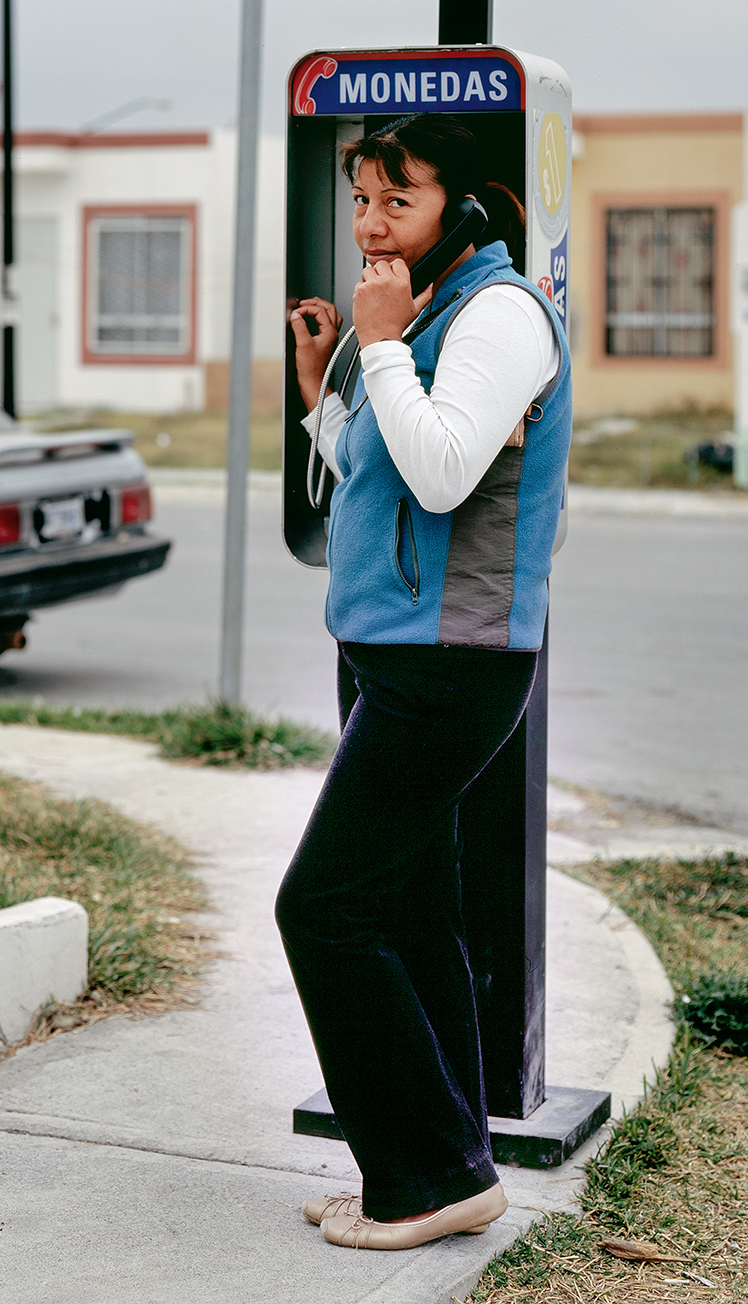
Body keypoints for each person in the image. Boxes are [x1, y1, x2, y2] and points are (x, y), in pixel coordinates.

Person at [276, 114, 571, 1253]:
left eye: (397, 199)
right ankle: (449, 1161)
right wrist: (324, 388)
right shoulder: (430, 311)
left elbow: (445, 474)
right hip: (390, 647)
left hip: (451, 664)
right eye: (360, 198)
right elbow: (376, 472)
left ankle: (419, 1179)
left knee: (323, 907)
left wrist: (383, 341)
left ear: (464, 204)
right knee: (406, 903)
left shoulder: (499, 313)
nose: (370, 222)